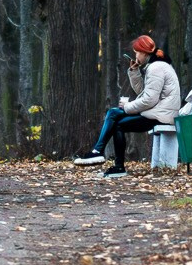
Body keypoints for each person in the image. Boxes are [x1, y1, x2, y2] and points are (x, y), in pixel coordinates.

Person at [72, 35, 182, 178]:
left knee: (115, 117)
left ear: (143, 52)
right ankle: (108, 160)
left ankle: (102, 155)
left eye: (137, 52)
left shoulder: (156, 68)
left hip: (161, 115)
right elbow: (144, 91)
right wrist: (134, 72)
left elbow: (149, 99)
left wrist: (127, 106)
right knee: (115, 117)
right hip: (159, 112)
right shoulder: (157, 66)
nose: (135, 55)